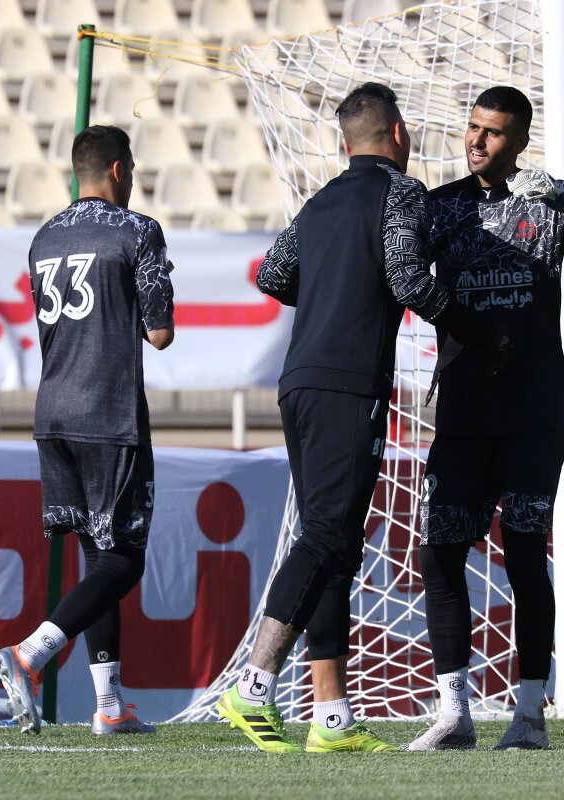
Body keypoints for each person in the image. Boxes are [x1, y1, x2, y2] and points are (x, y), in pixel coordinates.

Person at [216, 82, 502, 754]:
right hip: (348, 385)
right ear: (397, 134)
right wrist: (474, 326)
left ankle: (332, 716)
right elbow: (407, 280)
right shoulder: (400, 193)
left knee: (337, 544)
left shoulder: (319, 201)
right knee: (325, 536)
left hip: (299, 381)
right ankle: (254, 683)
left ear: (346, 144)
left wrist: (335, 283)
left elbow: (272, 275)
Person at [406, 86, 564, 751]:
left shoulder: (547, 206)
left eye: (494, 132)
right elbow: (400, 272)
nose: (477, 141)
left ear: (520, 142)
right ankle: (454, 713)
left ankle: (531, 714)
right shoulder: (441, 207)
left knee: (525, 555)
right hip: (463, 411)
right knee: (440, 554)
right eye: (473, 127)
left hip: (534, 411)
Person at [0, 124, 175, 735]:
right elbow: (160, 333)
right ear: (119, 170)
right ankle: (30, 654)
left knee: (97, 557)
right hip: (108, 414)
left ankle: (108, 706)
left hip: (54, 414)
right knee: (124, 561)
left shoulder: (44, 236)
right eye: (132, 169)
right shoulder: (137, 230)